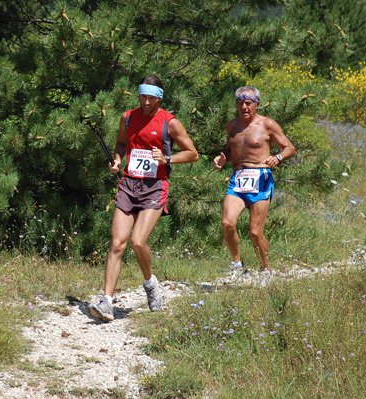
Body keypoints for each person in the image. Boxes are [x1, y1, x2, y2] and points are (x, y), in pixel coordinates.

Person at [88, 74, 199, 322]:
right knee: (117, 243)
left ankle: (150, 284)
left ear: (159, 98)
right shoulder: (127, 118)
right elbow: (120, 144)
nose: (146, 102)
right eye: (142, 97)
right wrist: (117, 161)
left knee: (138, 242)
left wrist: (167, 159)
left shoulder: (170, 123)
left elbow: (193, 154)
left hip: (155, 186)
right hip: (128, 184)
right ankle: (106, 302)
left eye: (151, 98)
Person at [213, 86, 295, 273]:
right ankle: (237, 265)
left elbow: (289, 147)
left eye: (248, 103)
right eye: (240, 103)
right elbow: (231, 149)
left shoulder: (268, 125)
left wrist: (278, 157)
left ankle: (265, 269)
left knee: (255, 233)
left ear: (256, 104)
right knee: (227, 223)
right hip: (238, 180)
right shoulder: (232, 126)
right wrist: (223, 158)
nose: (244, 106)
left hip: (260, 179)